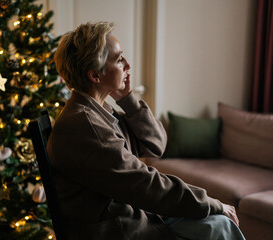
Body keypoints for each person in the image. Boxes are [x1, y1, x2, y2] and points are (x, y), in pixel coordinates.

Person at [47, 21, 246, 240]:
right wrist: (212, 203)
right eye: (119, 59)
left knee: (216, 224)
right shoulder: (86, 126)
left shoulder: (95, 111)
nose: (128, 65)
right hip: (121, 230)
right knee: (219, 225)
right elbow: (145, 184)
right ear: (95, 76)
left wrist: (127, 99)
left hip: (134, 215)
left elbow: (156, 145)